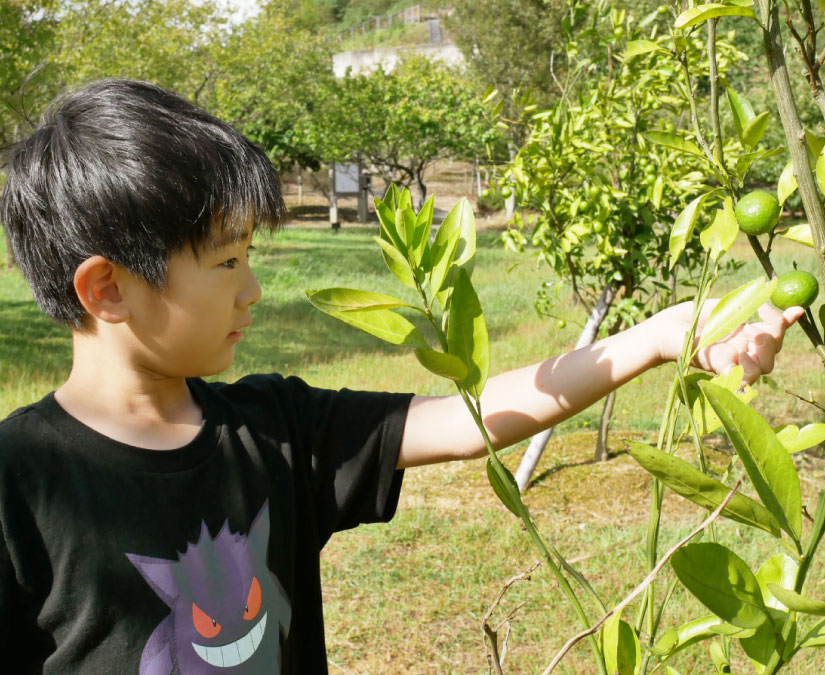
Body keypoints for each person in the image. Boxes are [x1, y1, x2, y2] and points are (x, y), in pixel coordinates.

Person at [0, 79, 802, 674]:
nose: (251, 289)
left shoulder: (271, 427)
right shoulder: (18, 482)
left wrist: (663, 336)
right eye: (227, 261)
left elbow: (472, 417)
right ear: (107, 288)